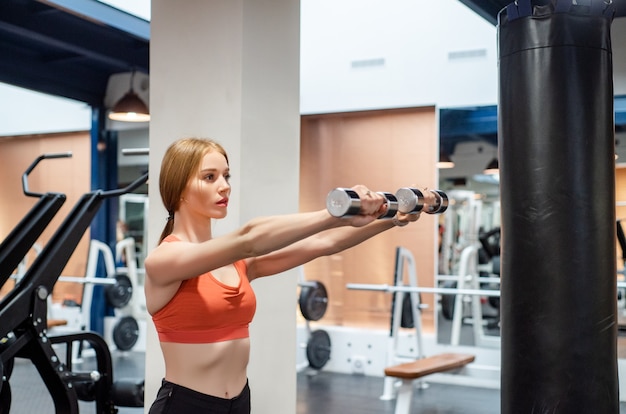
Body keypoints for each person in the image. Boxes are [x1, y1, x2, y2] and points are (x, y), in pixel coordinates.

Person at [144, 137, 433, 413]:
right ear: (179, 187)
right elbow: (250, 238)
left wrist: (393, 217)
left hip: (239, 403)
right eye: (210, 177)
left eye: (226, 176)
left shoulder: (238, 263)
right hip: (186, 406)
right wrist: (336, 212)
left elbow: (323, 244)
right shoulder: (164, 260)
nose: (224, 186)